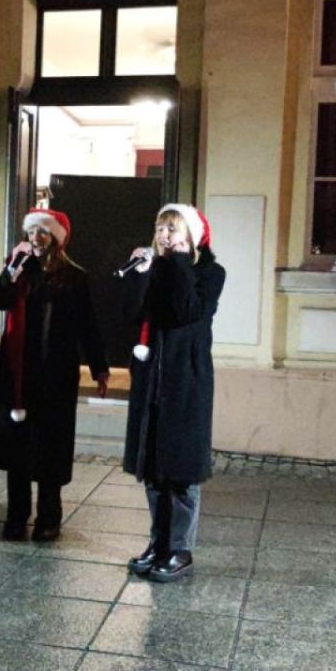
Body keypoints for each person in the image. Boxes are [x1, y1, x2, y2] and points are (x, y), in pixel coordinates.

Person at [0, 209, 110, 542]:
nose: (35, 237)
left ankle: (49, 517)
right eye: (31, 231)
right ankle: (16, 515)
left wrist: (99, 367)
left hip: (55, 372)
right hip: (18, 370)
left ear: (56, 239)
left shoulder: (73, 276)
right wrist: (11, 269)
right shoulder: (19, 270)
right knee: (17, 447)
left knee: (50, 446)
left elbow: (88, 324)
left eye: (42, 232)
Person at [121, 203, 225, 582]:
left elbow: (187, 311)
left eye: (173, 229)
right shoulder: (156, 268)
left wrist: (177, 263)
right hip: (153, 380)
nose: (164, 235)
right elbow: (133, 315)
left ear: (191, 236)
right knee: (153, 468)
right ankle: (158, 542)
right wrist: (140, 277)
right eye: (160, 227)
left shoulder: (211, 273)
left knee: (180, 470)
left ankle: (180, 549)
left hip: (186, 384)